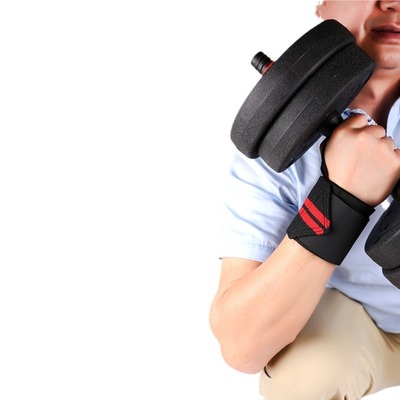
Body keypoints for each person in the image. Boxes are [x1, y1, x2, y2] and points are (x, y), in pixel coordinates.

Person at [209, 1, 400, 399]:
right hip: (364, 327)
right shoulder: (273, 153)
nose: (392, 4)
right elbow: (242, 345)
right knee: (303, 380)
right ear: (323, 4)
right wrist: (341, 199)